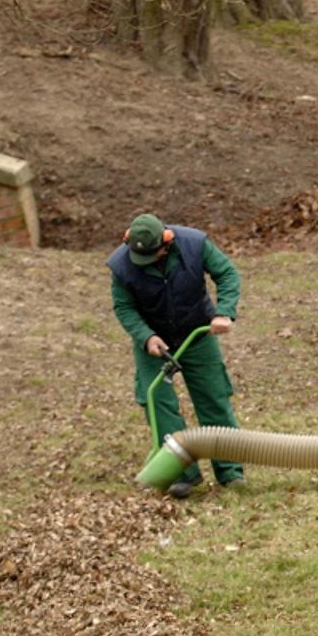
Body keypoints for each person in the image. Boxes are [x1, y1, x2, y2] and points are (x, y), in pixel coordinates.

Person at [107, 213, 245, 498]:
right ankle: (182, 473)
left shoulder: (195, 244)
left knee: (213, 397)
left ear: (166, 243)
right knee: (156, 401)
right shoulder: (122, 264)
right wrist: (146, 337)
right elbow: (124, 307)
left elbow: (227, 274)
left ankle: (230, 472)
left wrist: (224, 312)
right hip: (154, 341)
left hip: (197, 333)